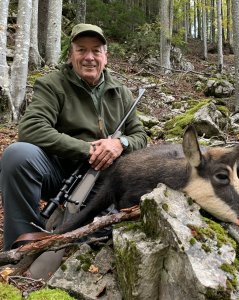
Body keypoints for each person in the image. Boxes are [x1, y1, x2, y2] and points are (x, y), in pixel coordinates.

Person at [0, 23, 147, 251]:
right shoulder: (51, 85)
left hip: (104, 181)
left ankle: (92, 230)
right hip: (59, 172)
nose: (89, 57)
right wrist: (87, 149)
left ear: (105, 57)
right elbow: (31, 128)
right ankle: (20, 244)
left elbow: (140, 136)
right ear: (71, 55)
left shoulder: (122, 93)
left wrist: (120, 143)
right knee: (17, 155)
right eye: (81, 50)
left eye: (96, 51)